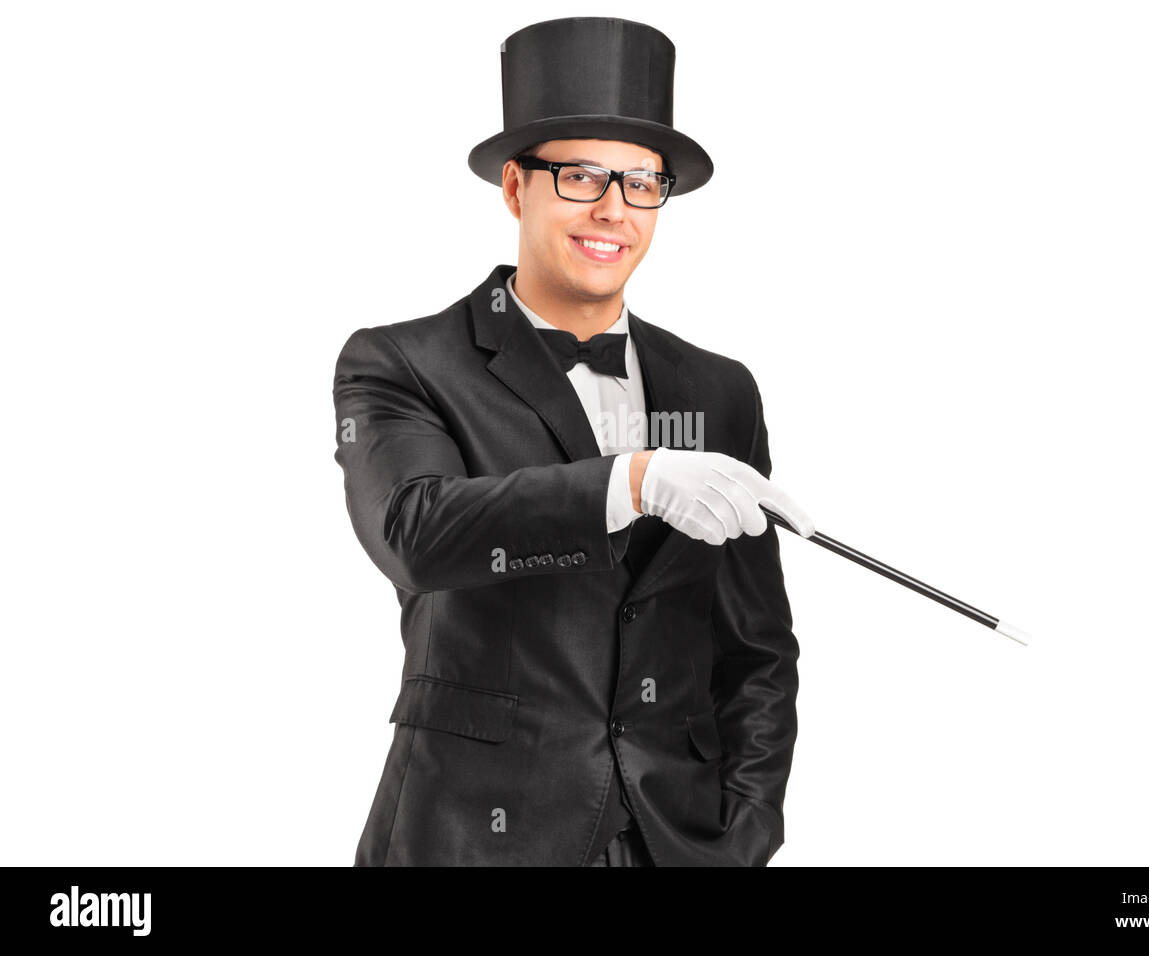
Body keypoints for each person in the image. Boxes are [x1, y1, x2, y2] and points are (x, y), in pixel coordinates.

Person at [332, 16, 814, 867]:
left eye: (640, 183)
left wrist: (746, 829)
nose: (612, 210)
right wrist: (629, 479)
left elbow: (756, 649)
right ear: (516, 187)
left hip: (675, 841)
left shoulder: (719, 390)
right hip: (468, 839)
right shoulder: (402, 361)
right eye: (581, 175)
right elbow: (416, 534)